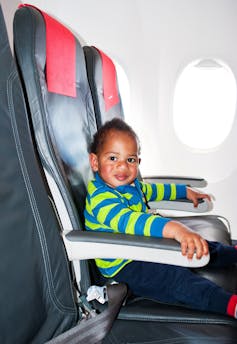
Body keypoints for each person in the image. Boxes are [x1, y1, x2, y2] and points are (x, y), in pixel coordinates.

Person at [84, 117, 237, 318]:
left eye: (130, 160)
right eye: (113, 158)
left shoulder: (130, 186)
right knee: (174, 279)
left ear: (137, 162)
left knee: (201, 245)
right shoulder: (100, 198)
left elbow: (154, 190)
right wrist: (175, 229)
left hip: (142, 246)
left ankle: (231, 253)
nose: (122, 167)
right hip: (125, 262)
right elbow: (131, 221)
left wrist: (184, 191)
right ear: (95, 162)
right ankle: (228, 304)